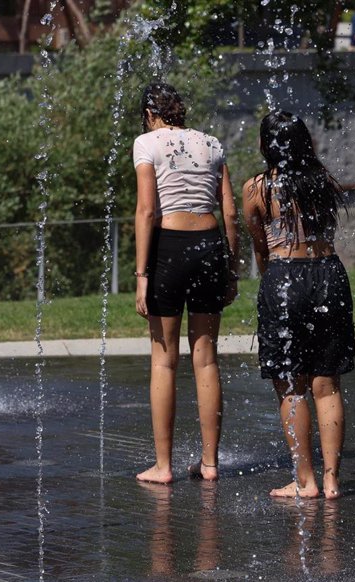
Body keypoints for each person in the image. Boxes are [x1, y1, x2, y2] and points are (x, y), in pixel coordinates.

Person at [242, 110, 354, 499]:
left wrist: (273, 281)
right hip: (329, 276)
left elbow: (261, 246)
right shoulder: (323, 182)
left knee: (292, 385)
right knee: (328, 383)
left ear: (265, 146)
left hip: (286, 278)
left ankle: (305, 481)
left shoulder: (257, 188)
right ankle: (332, 480)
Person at [133, 83, 239, 484]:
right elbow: (229, 211)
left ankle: (164, 466)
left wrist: (142, 275)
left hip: (170, 247)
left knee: (163, 359)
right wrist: (230, 267)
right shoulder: (212, 143)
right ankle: (209, 463)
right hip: (210, 245)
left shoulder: (147, 143)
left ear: (150, 113)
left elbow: (146, 211)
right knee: (206, 357)